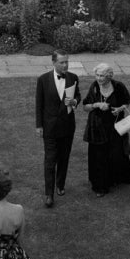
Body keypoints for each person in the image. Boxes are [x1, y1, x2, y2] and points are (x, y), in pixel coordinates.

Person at [82, 62, 130, 197]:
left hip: (115, 126)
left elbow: (127, 101)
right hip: (97, 128)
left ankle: (116, 179)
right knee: (99, 156)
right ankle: (100, 186)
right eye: (97, 75)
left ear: (109, 76)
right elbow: (85, 106)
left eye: (102, 76)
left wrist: (120, 109)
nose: (99, 78)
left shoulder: (118, 86)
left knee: (115, 154)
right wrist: (97, 104)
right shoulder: (94, 87)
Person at [35, 51, 81, 208]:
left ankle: (60, 185)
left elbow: (78, 97)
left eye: (67, 62)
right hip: (49, 128)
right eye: (62, 62)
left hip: (67, 126)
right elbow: (39, 104)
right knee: (49, 161)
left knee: (64, 158)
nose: (65, 65)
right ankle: (49, 194)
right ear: (53, 62)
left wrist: (74, 101)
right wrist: (39, 125)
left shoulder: (73, 78)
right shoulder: (43, 80)